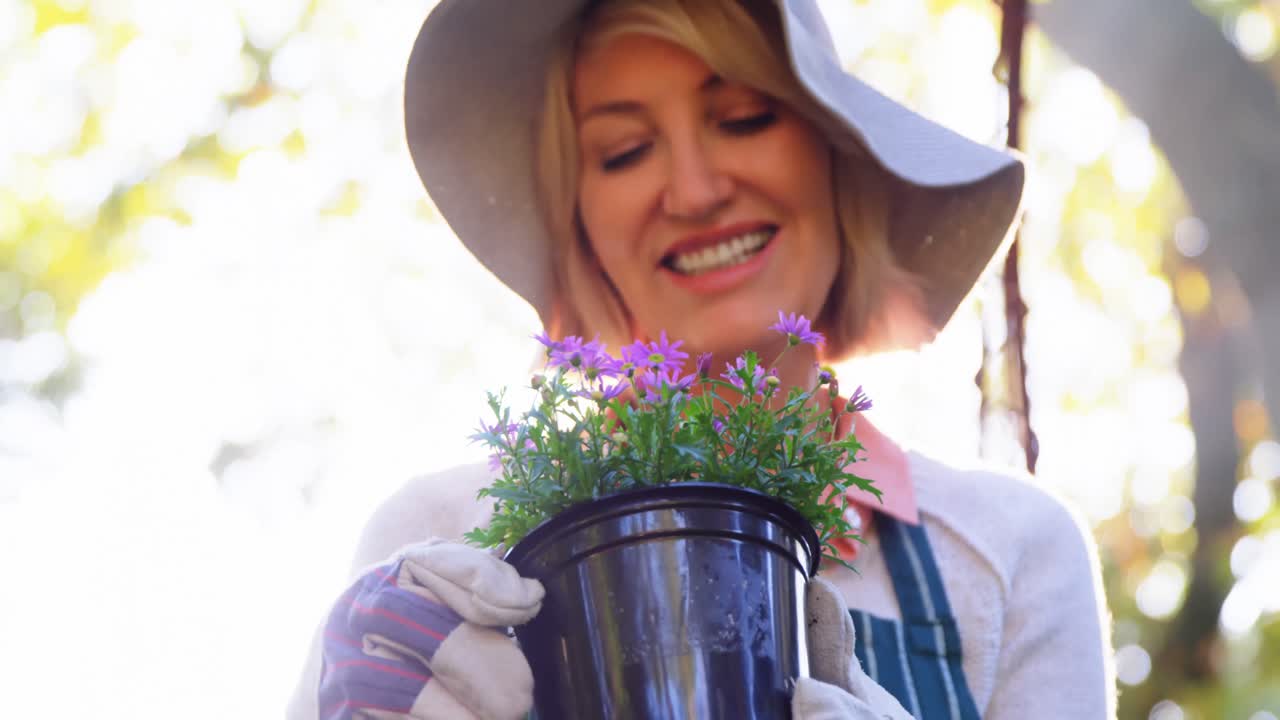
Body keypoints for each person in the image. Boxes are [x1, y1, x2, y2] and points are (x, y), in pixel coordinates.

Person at [288, 0, 1115, 718]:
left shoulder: (1009, 551)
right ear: (581, 222)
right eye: (623, 151)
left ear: (836, 159)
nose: (693, 191)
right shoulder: (437, 539)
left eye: (745, 118)